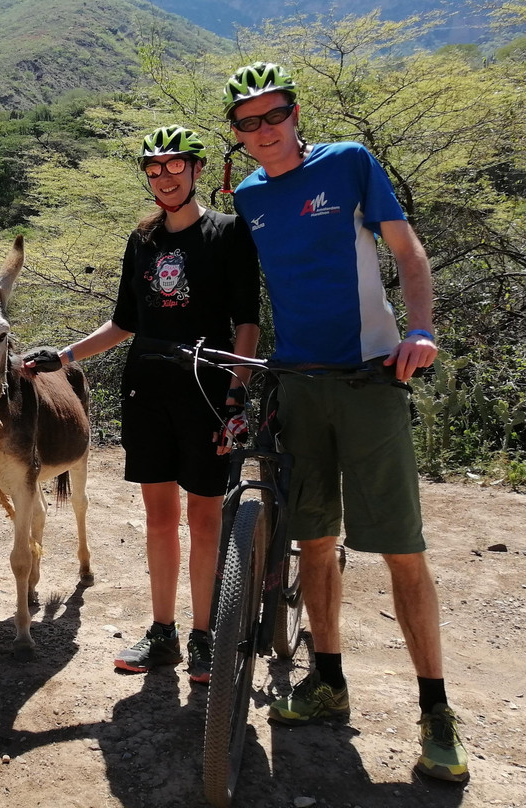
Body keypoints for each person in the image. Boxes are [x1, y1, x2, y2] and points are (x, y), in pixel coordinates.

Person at [222, 61, 469, 782]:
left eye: (276, 115)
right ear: (237, 136)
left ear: (297, 114)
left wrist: (419, 329)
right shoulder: (247, 195)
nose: (265, 131)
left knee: (399, 547)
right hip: (298, 384)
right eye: (249, 122)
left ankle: (435, 712)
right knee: (316, 541)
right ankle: (328, 681)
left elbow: (406, 250)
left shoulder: (349, 164)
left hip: (370, 377)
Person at [23, 125, 260, 683]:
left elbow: (246, 321)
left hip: (207, 388)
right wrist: (63, 355)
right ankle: (163, 633)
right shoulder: (143, 241)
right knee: (158, 517)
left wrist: (237, 390)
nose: (164, 177)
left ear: (197, 170)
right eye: (154, 169)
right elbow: (125, 322)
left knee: (203, 516)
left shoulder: (229, 233)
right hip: (148, 388)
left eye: (175, 166)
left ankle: (204, 637)